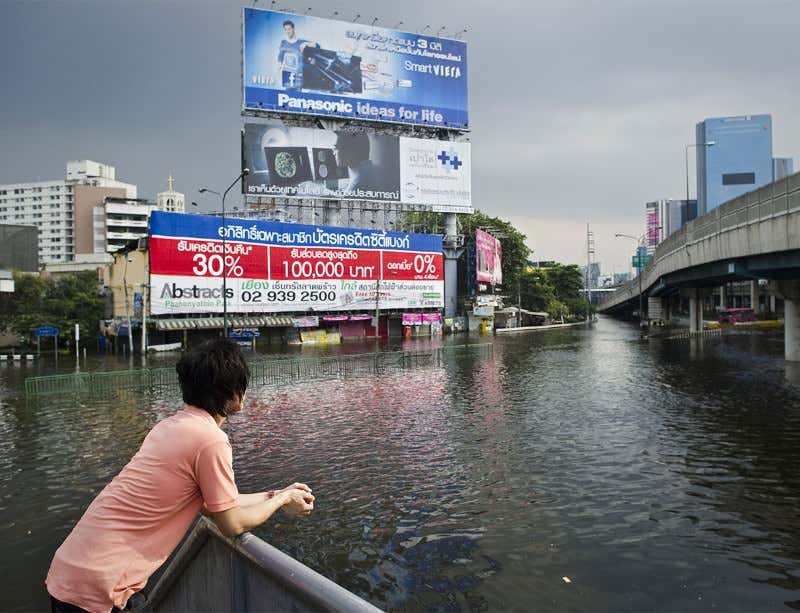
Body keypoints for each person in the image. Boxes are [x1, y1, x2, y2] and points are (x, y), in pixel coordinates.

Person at [46, 338, 315, 613]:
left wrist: (277, 494)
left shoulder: (170, 426)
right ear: (232, 392)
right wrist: (282, 502)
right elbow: (231, 523)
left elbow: (215, 505)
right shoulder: (210, 440)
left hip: (70, 572)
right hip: (98, 588)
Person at [276, 20, 316, 89]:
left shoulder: (301, 42)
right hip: (288, 73)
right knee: (288, 93)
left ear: (293, 29)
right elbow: (280, 57)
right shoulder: (284, 42)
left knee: (298, 95)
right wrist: (278, 71)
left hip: (299, 74)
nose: (287, 31)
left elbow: (315, 45)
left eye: (289, 29)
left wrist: (306, 43)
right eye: (285, 29)